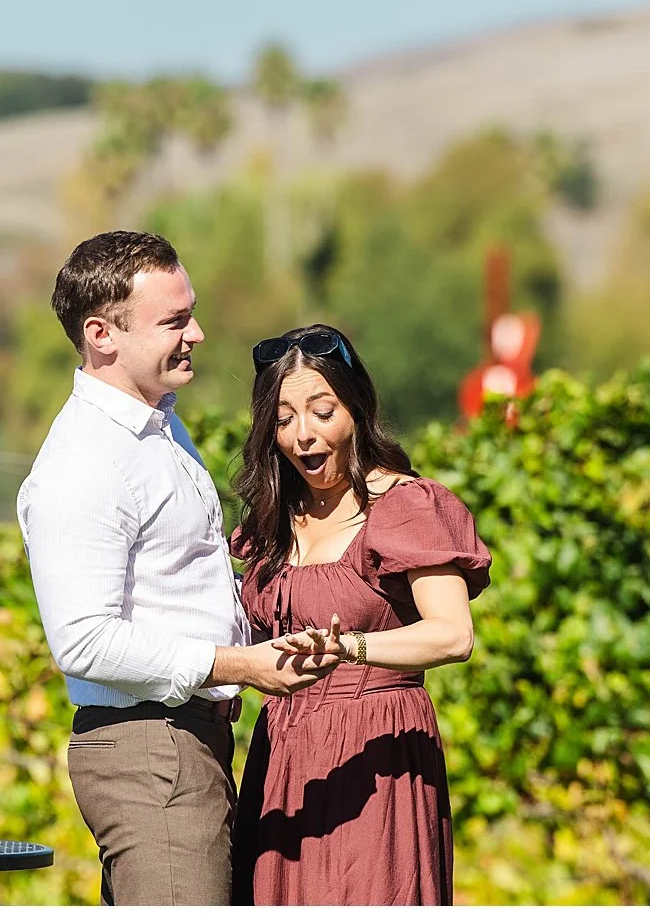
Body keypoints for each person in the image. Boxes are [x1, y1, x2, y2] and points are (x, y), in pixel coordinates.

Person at [17, 232, 337, 906]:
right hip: (151, 752)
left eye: (189, 311)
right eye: (174, 320)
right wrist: (240, 665)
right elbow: (83, 639)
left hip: (184, 743)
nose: (198, 331)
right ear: (102, 333)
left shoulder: (157, 422)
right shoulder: (86, 462)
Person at [228, 323, 492, 905]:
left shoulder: (403, 506)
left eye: (323, 412)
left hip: (378, 753)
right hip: (283, 754)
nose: (303, 435)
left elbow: (453, 635)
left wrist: (352, 649)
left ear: (356, 408)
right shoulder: (271, 520)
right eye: (284, 418)